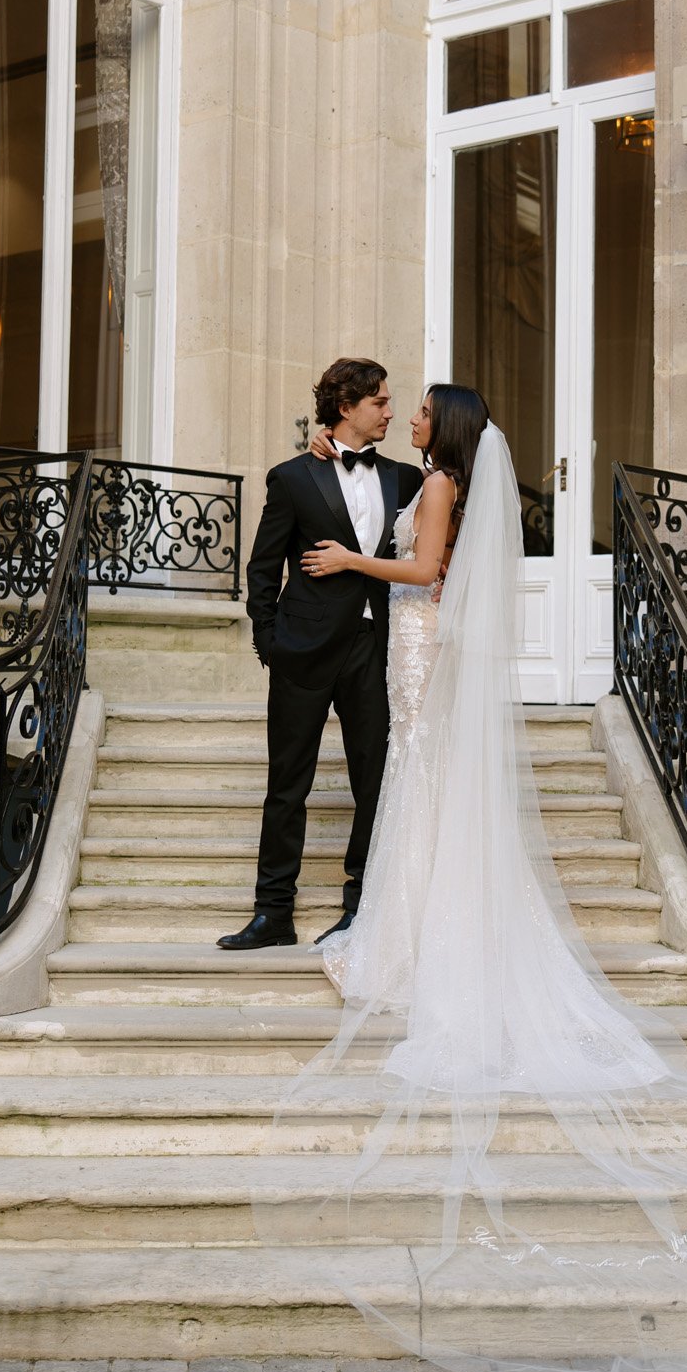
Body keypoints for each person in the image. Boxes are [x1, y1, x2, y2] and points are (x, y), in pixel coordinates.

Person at [256, 384, 687, 1372]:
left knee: (417, 775)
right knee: (421, 780)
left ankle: (409, 941)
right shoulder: (447, 478)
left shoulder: (437, 484)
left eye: (420, 407)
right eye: (398, 403)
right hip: (416, 642)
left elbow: (422, 570)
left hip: (414, 642)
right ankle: (415, 928)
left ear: (444, 427)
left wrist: (349, 562)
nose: (409, 413)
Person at [216, 357, 422, 952]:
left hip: (372, 649)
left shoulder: (406, 480)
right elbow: (262, 566)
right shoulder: (293, 477)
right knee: (287, 783)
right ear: (346, 408)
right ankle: (273, 911)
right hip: (302, 650)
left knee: (374, 780)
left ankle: (361, 905)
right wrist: (269, 642)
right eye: (380, 402)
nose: (390, 411)